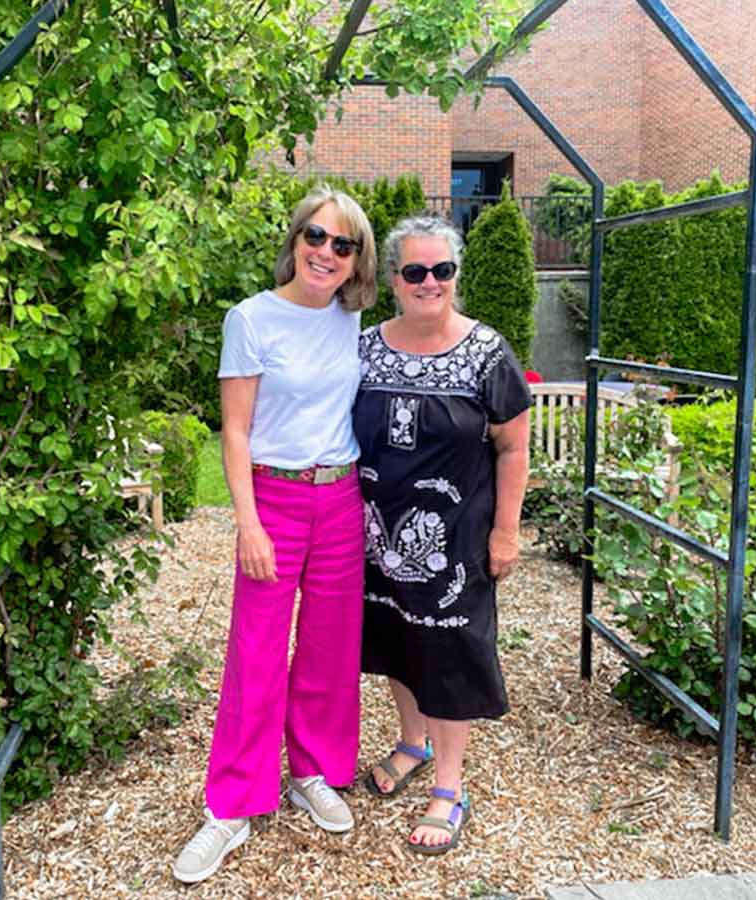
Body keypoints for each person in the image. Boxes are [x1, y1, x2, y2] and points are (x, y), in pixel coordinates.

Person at [173, 185, 377, 883]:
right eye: (316, 237)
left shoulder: (354, 321)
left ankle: (312, 771)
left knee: (328, 646)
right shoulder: (250, 318)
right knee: (256, 650)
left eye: (342, 245)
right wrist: (248, 522)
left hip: (341, 498)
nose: (326, 252)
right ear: (295, 241)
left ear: (356, 262)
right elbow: (233, 430)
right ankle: (232, 806)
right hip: (275, 500)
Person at [353, 215, 532, 854]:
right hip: (376, 532)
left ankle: (449, 787)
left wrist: (506, 532)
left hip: (456, 536)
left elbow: (513, 447)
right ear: (394, 280)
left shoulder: (486, 352)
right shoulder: (364, 348)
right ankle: (411, 742)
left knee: (450, 652)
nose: (430, 283)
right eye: (415, 272)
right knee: (399, 640)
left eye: (443, 270)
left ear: (456, 275)